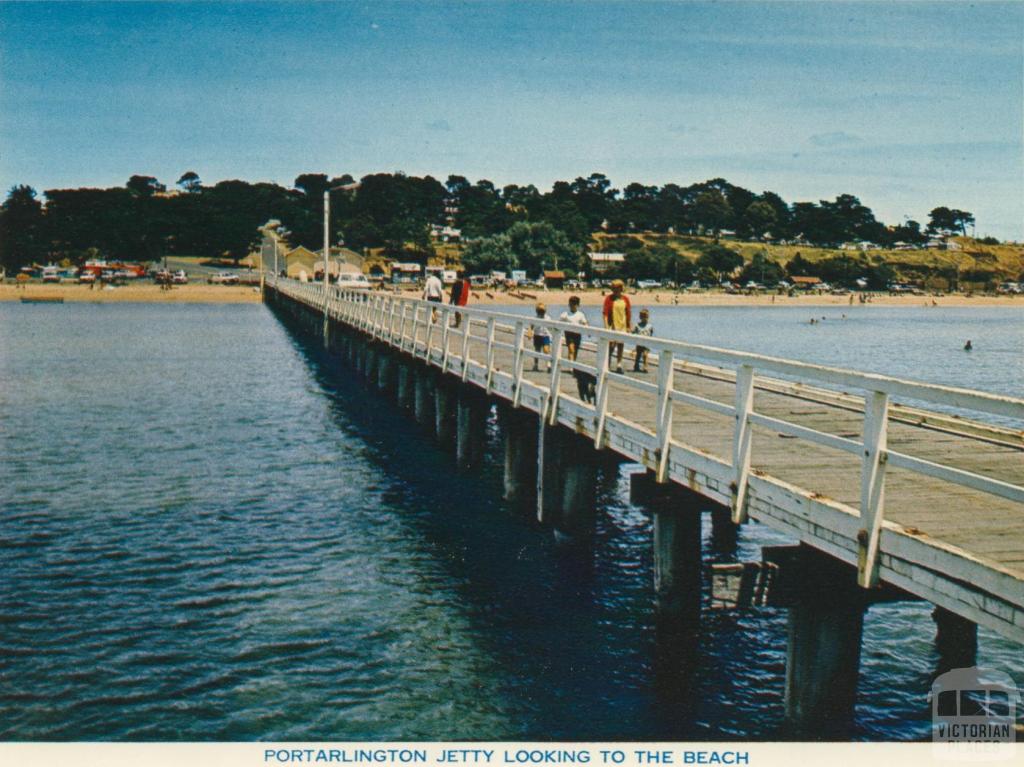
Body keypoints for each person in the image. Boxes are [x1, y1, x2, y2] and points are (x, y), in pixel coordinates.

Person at [602, 279, 631, 373]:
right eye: (613, 288)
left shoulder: (625, 299)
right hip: (612, 325)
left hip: (622, 324)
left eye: (617, 288)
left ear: (621, 288)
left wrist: (628, 326)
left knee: (620, 345)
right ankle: (607, 363)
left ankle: (619, 364)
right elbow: (605, 313)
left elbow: (628, 313)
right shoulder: (609, 299)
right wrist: (606, 326)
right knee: (611, 346)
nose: (615, 290)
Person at [559, 295, 588, 361]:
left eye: (574, 304)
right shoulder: (565, 314)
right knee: (571, 349)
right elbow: (559, 323)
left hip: (577, 334)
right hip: (569, 334)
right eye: (570, 304)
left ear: (577, 305)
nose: (572, 306)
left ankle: (572, 364)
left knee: (575, 350)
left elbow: (585, 323)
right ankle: (571, 367)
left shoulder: (580, 314)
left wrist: (588, 332)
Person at [529, 302, 552, 372]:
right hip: (537, 335)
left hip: (545, 335)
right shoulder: (535, 318)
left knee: (546, 350)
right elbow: (531, 326)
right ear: (537, 311)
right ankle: (536, 364)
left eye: (542, 311)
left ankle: (548, 365)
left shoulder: (548, 318)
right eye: (540, 311)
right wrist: (529, 333)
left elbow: (552, 327)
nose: (541, 312)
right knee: (537, 350)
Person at [632, 308, 653, 373]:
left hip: (646, 343)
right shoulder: (637, 325)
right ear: (640, 317)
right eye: (643, 317)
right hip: (639, 343)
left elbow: (651, 333)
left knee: (645, 355)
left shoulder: (649, 326)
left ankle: (645, 366)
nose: (645, 318)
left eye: (646, 317)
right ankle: (636, 365)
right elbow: (633, 332)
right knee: (638, 354)